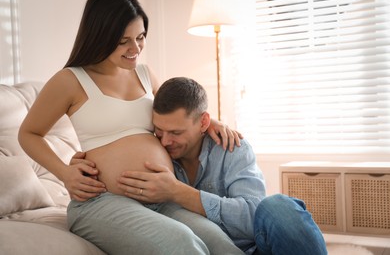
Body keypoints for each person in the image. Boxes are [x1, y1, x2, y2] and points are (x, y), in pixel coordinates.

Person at [18, 0, 244, 254]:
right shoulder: (70, 80)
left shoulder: (145, 74)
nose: (135, 48)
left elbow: (177, 114)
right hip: (102, 202)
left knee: (222, 244)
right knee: (181, 243)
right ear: (99, 36)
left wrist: (210, 121)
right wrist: (65, 173)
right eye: (123, 41)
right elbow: (29, 133)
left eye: (141, 37)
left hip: (160, 197)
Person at [113, 77, 328, 255]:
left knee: (279, 206)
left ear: (204, 123)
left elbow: (252, 216)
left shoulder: (232, 148)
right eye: (159, 130)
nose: (165, 141)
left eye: (176, 133)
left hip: (254, 249)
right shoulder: (153, 152)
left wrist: (178, 192)